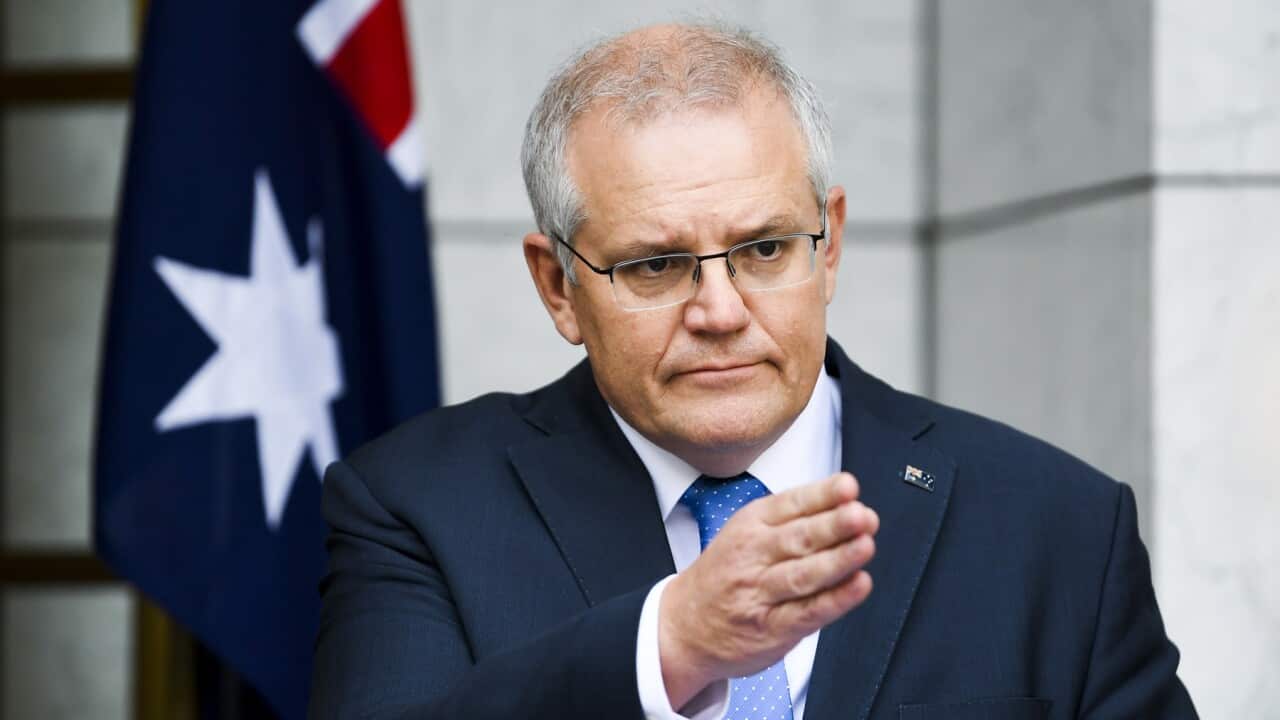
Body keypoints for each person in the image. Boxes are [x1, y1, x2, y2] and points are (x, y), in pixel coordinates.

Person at [309, 22, 1196, 720]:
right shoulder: (416, 506)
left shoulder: (1056, 524)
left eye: (766, 248)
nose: (721, 311)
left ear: (831, 243)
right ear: (560, 288)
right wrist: (670, 646)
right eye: (656, 265)